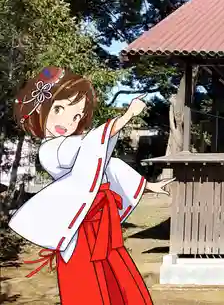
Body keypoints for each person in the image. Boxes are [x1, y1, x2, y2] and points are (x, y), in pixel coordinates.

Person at [8, 67, 173, 305]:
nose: (68, 121)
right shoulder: (51, 149)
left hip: (100, 224)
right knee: (86, 283)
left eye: (76, 116)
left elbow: (109, 165)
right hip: (79, 227)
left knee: (115, 276)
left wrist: (149, 186)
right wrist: (126, 117)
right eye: (59, 109)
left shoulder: (79, 144)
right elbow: (93, 144)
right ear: (40, 110)